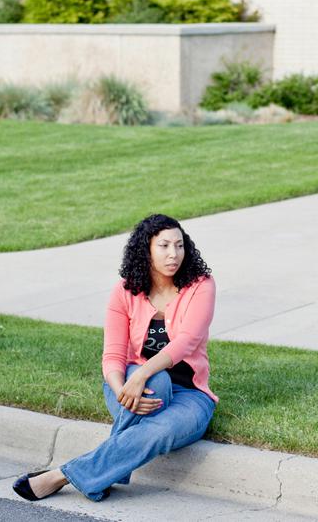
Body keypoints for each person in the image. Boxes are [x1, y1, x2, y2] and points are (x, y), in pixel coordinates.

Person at [12, 213, 218, 503]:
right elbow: (112, 355)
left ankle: (62, 475)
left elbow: (187, 342)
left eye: (179, 245)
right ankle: (102, 473)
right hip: (130, 387)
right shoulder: (125, 291)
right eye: (164, 246)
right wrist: (122, 389)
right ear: (145, 249)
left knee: (160, 428)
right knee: (157, 382)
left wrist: (141, 375)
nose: (174, 254)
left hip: (190, 396)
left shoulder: (200, 285)